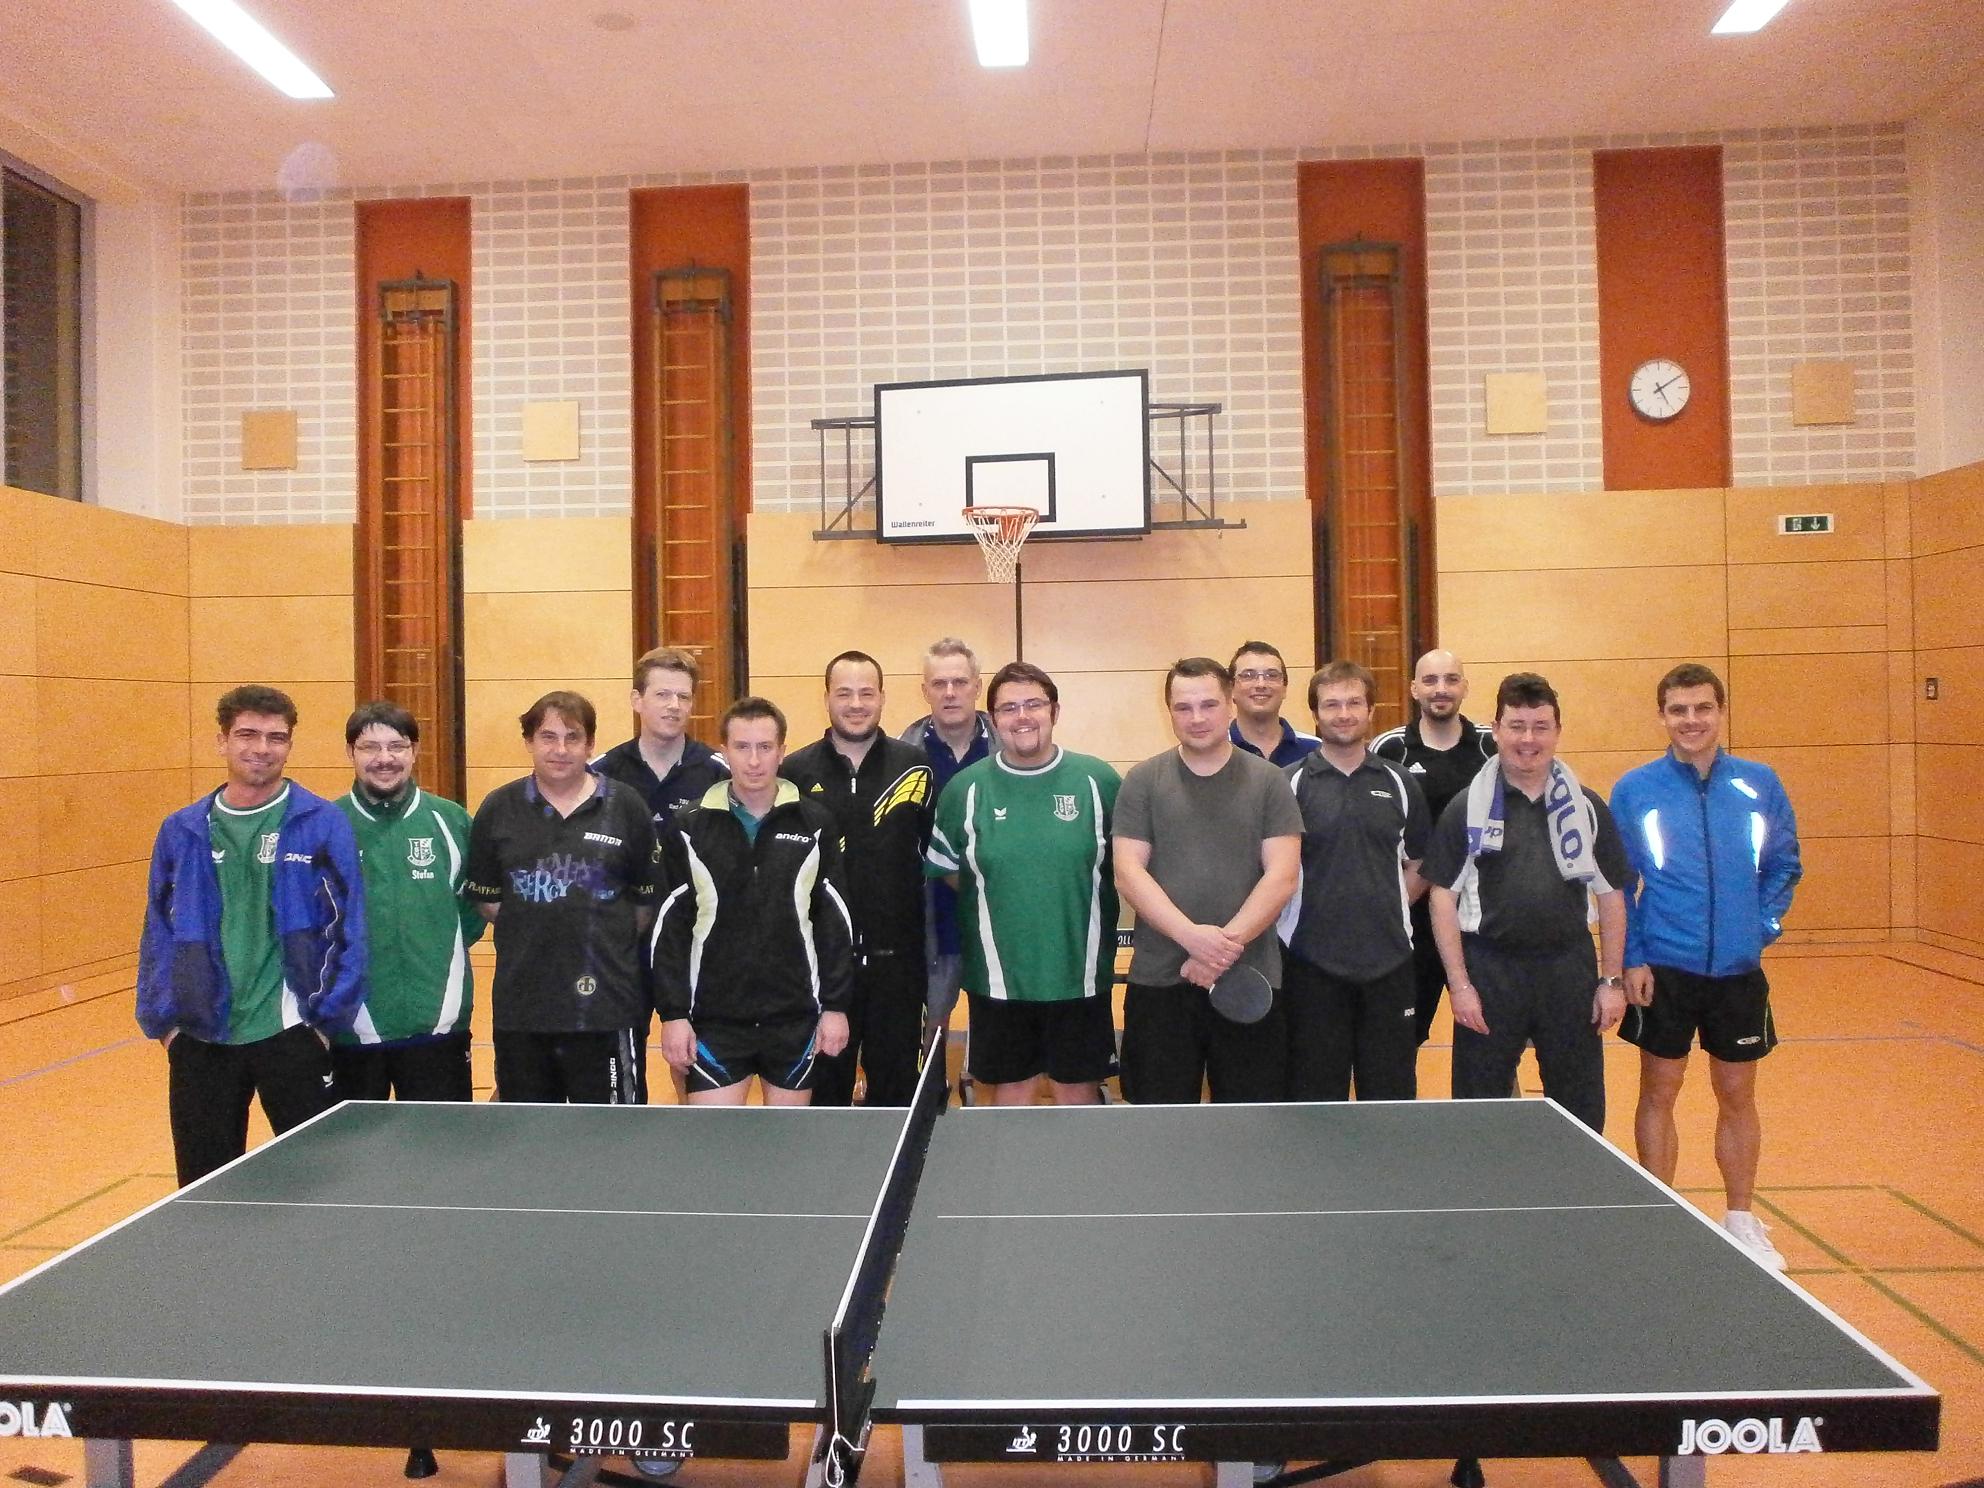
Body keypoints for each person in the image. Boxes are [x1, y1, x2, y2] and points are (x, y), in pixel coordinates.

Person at [1611, 663, 1802, 1269]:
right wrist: (1632, 957)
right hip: (1665, 967)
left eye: (1702, 708)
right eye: (1679, 710)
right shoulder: (1636, 789)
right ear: (1662, 716)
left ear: (1720, 712)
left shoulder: (1759, 783)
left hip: (1738, 973)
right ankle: (1659, 1216)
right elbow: (1620, 883)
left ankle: (1741, 1218)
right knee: (1659, 1090)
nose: (1691, 720)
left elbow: (1784, 864)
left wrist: (1760, 926)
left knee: (1737, 1093)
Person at [137, 685, 365, 1186]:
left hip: (292, 1031)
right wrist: (167, 1025)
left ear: (289, 745)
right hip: (201, 1038)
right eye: (247, 735)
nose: (262, 748)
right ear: (222, 741)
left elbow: (350, 925)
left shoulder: (322, 822)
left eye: (276, 737)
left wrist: (325, 1021)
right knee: (206, 1189)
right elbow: (158, 931)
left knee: (319, 1186)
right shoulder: (181, 830)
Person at [1421, 672, 1628, 1133]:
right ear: (1496, 729)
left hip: (1568, 968)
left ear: (1557, 731)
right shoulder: (1466, 807)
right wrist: (1460, 986)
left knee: (1580, 1111)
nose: (1528, 739)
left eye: (1540, 727)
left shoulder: (1587, 807)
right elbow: (1442, 899)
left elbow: (1612, 895)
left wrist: (1611, 981)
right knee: (1479, 1113)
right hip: (1490, 971)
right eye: (1516, 726)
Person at [926, 662, 1120, 1106]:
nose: (1022, 716)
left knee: (1077, 1094)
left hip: (1080, 977)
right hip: (999, 981)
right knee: (1011, 1098)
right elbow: (952, 873)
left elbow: (1126, 867)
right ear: (994, 719)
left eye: (1034, 704)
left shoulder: (1099, 781)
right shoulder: (965, 790)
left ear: (1055, 711)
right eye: (1009, 708)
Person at [1114, 657, 1301, 1104]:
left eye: (1208, 705)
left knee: (1249, 1127)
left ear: (1231, 704)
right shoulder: (1142, 781)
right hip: (1161, 982)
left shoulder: (1269, 781)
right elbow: (1128, 873)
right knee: (1160, 1126)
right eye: (1184, 708)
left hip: (1249, 982)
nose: (1197, 718)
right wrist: (1192, 939)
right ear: (1169, 712)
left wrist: (1218, 953)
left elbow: (1282, 876)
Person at [651, 697, 854, 1105]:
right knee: (716, 1142)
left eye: (765, 747)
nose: (755, 760)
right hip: (716, 1022)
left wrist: (836, 1006)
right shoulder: (689, 827)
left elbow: (835, 922)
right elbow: (669, 929)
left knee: (789, 1143)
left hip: (794, 1020)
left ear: (782, 751)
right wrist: (673, 1015)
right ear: (724, 751)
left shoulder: (815, 824)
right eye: (742, 747)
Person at [465, 691, 658, 1104]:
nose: (561, 749)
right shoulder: (498, 809)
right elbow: (489, 903)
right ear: (529, 742)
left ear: (590, 744)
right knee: (528, 1136)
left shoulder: (626, 807)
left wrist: (595, 930)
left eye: (573, 737)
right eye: (548, 737)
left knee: (613, 1135)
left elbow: (643, 907)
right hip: (522, 1010)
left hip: (606, 1010)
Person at [783, 651, 934, 1105]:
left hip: (898, 968)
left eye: (866, 693)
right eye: (844, 693)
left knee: (896, 1097)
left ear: (883, 697)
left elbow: (934, 861)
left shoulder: (915, 766)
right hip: (821, 970)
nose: (855, 704)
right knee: (824, 1100)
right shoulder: (794, 773)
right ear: (826, 698)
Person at [1280, 661, 1430, 1101]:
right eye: (1331, 705)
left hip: (1390, 966)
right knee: (1315, 1100)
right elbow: (1274, 870)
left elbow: (1420, 861)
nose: (1343, 714)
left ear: (1370, 711)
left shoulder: (1400, 782)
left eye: (1353, 703)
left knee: (1389, 1099)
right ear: (1315, 714)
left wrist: (1387, 907)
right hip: (1311, 966)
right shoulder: (1290, 784)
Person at [593, 645, 729, 1100]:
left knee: (691, 1066)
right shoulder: (602, 775)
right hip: (622, 945)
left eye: (683, 697)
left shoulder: (718, 774)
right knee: (623, 1075)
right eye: (662, 694)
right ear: (637, 700)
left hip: (694, 944)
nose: (674, 706)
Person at [331, 701, 484, 1101]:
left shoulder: (451, 821)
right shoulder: (325, 826)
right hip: (350, 1029)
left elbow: (471, 914)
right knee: (355, 1143)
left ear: (415, 751)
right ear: (350, 752)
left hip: (438, 1027)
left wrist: (433, 951)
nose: (384, 758)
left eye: (396, 746)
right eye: (369, 747)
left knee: (440, 1141)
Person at [1372, 648, 1499, 1045]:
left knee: (1492, 1039)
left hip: (1479, 920)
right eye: (1430, 680)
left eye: (1450, 679)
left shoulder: (1492, 747)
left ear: (1465, 686)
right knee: (1400, 1039)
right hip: (1412, 922)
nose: (1441, 689)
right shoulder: (1389, 749)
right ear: (1414, 689)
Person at [898, 638, 994, 1041]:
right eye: (939, 684)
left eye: (959, 682)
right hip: (930, 916)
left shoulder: (1008, 749)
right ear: (925, 691)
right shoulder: (901, 757)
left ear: (977, 686)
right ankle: (931, 1078)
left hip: (996, 914)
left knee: (1003, 1029)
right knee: (930, 1027)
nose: (950, 692)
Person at [1226, 640, 1322, 766]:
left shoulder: (1316, 751)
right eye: (1248, 675)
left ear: (1284, 688)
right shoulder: (1215, 750)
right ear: (1231, 689)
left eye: (1271, 675)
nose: (1261, 684)